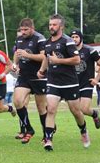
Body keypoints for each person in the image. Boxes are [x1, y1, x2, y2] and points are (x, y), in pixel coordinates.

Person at [38, 14, 90, 151]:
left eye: (54, 25)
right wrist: (42, 70)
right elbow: (46, 58)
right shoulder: (47, 42)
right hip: (53, 81)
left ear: (61, 26)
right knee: (51, 109)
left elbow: (77, 60)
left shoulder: (67, 41)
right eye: (50, 24)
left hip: (69, 82)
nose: (51, 27)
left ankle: (83, 130)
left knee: (76, 111)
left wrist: (58, 61)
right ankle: (48, 140)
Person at [13, 18, 47, 144]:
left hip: (38, 76)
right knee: (17, 101)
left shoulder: (40, 39)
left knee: (41, 107)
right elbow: (17, 53)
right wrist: (15, 64)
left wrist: (28, 56)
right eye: (21, 30)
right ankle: (29, 129)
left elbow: (44, 57)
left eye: (26, 29)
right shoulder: (19, 39)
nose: (23, 32)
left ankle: (46, 134)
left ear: (32, 28)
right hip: (24, 76)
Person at [69, 29, 100, 130]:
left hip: (86, 83)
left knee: (83, 109)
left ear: (81, 38)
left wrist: (97, 79)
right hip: (73, 84)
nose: (74, 39)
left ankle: (94, 114)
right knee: (75, 110)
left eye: (76, 37)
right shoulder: (68, 51)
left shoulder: (89, 50)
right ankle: (83, 129)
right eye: (72, 37)